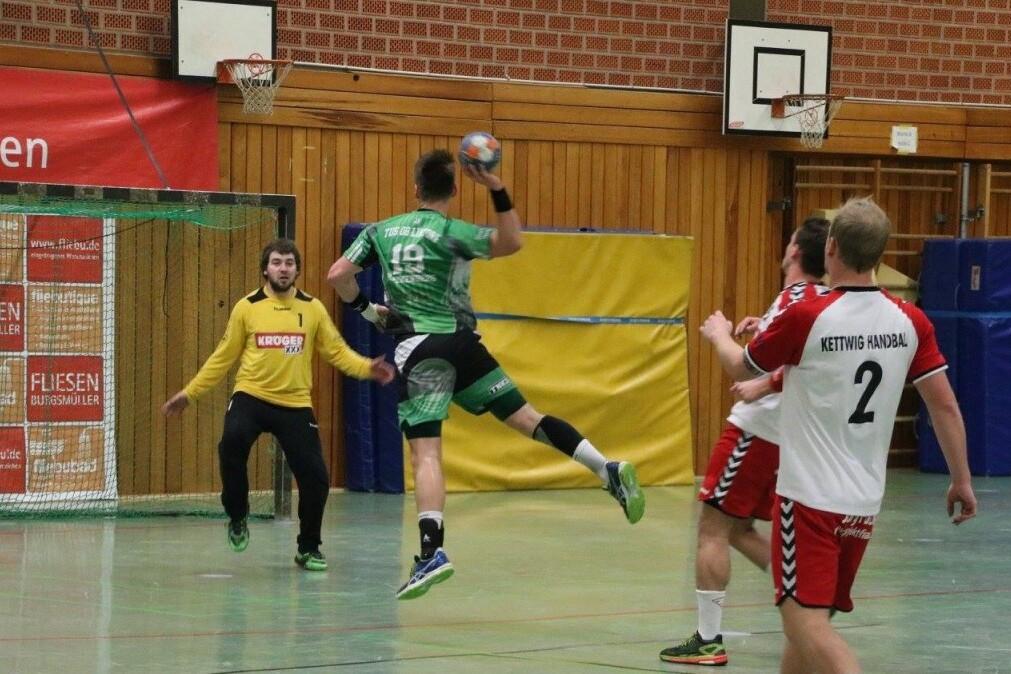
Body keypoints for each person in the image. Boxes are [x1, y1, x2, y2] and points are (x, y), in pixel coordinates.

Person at [327, 149, 645, 600]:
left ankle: (431, 552)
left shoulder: (381, 232)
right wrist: (496, 187)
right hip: (463, 344)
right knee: (528, 418)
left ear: (416, 188)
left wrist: (368, 310)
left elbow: (338, 273)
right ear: (455, 191)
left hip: (419, 348)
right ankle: (604, 467)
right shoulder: (455, 232)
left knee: (427, 456)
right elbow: (513, 242)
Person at [700, 197, 977, 674]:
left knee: (805, 625)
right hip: (864, 501)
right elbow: (945, 405)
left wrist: (719, 333)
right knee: (810, 623)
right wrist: (962, 479)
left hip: (808, 498)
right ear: (879, 255)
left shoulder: (808, 315)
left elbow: (742, 366)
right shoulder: (910, 321)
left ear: (830, 247)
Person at [162, 239, 395, 571]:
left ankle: (308, 548)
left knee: (316, 478)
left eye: (289, 263)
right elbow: (222, 356)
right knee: (230, 444)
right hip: (251, 396)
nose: (283, 268)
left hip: (295, 404)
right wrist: (190, 393)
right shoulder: (247, 307)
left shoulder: (312, 308)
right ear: (265, 269)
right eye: (277, 262)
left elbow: (336, 350)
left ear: (297, 270)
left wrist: (365, 367)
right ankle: (238, 514)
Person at [660, 217, 830, 666]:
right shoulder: (821, 301)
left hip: (757, 431)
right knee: (738, 529)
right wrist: (763, 329)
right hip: (792, 434)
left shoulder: (794, 300)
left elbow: (743, 369)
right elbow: (802, 359)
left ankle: (708, 640)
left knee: (713, 528)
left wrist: (719, 334)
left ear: (795, 252)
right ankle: (807, 597)